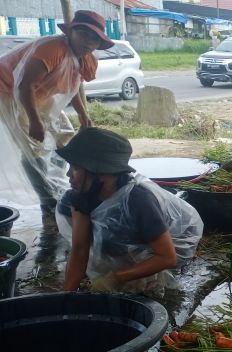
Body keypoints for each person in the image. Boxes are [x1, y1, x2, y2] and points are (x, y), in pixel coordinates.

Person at [57, 127, 203, 293]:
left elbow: (167, 257)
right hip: (124, 239)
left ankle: (144, 278)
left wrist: (116, 278)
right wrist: (66, 296)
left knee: (137, 286)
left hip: (169, 245)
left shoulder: (138, 201)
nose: (68, 174)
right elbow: (80, 249)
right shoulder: (80, 196)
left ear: (102, 174)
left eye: (75, 168)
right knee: (105, 246)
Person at [0, 10, 113, 211]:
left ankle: (61, 182)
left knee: (66, 137)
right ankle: (47, 201)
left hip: (40, 94)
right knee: (32, 145)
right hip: (8, 90)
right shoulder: (52, 49)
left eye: (94, 38)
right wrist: (34, 121)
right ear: (71, 32)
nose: (88, 41)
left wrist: (82, 113)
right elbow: (24, 86)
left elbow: (72, 85)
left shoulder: (86, 59)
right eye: (84, 33)